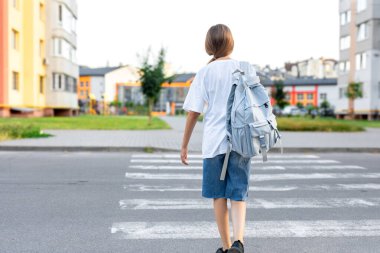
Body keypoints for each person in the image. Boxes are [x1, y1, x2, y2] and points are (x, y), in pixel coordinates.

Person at [181, 24, 251, 253]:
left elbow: (193, 112)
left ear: (209, 45)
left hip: (214, 143)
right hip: (241, 141)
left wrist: (184, 145)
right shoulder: (244, 68)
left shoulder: (204, 73)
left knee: (218, 195)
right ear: (231, 43)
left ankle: (225, 245)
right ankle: (239, 242)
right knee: (238, 193)